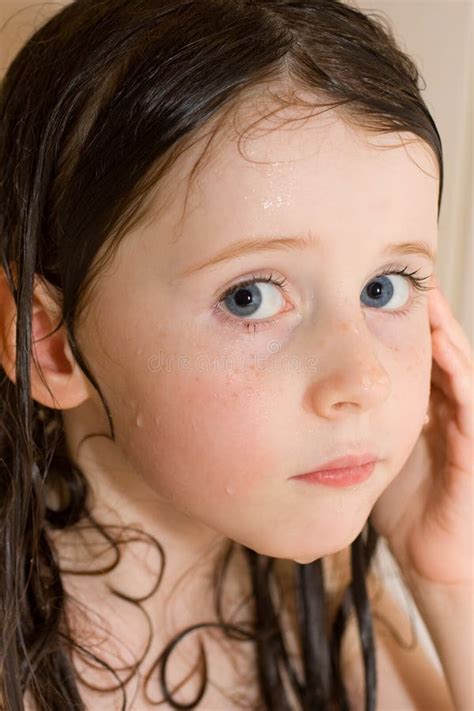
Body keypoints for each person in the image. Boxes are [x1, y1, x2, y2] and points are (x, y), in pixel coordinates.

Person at [0, 1, 472, 709]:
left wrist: (448, 579)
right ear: (51, 343)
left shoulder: (326, 603)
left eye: (382, 287)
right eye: (250, 297)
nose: (365, 380)